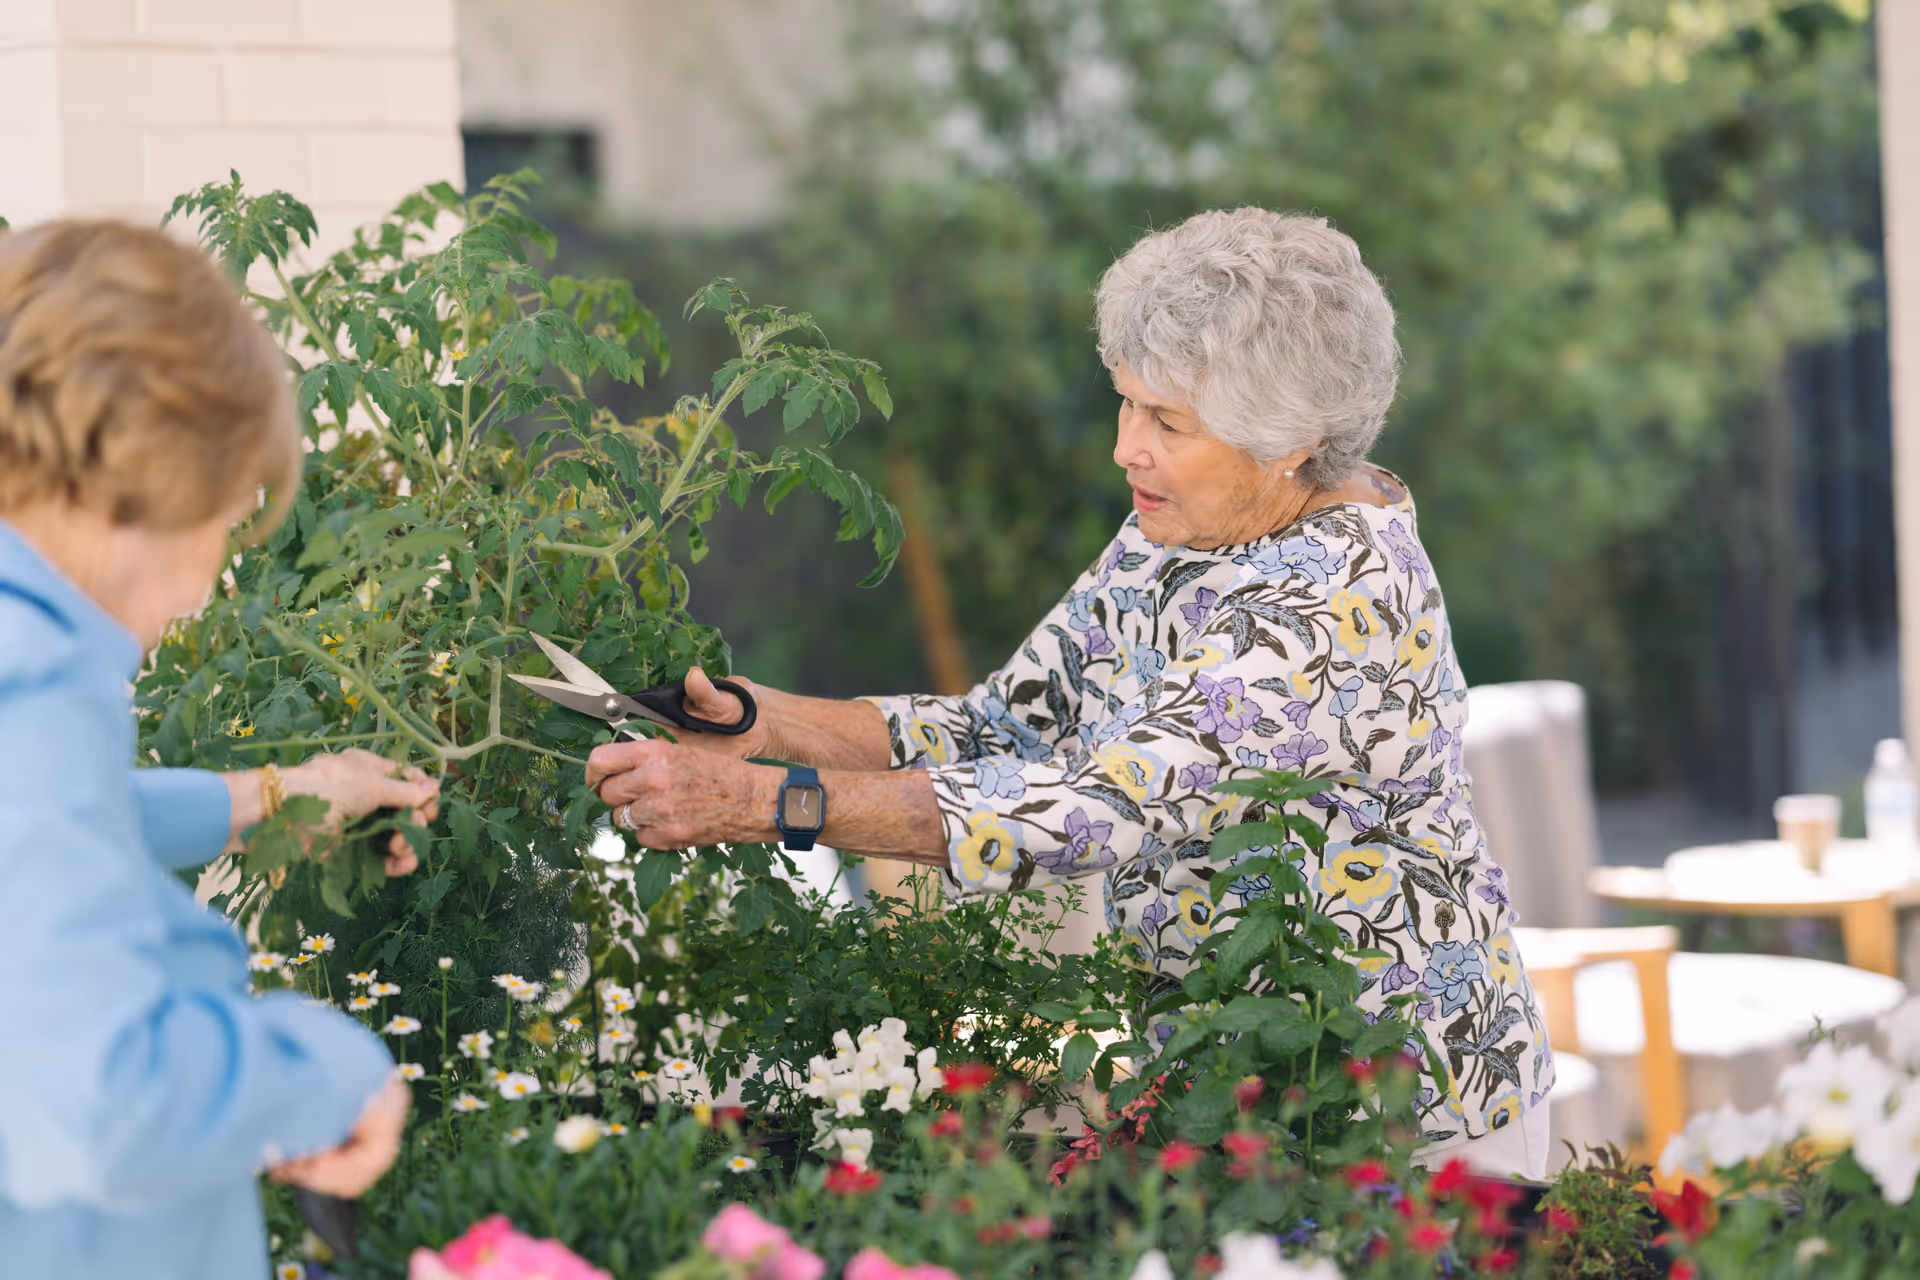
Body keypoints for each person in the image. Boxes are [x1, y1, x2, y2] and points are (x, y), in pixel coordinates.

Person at [585, 208, 1552, 1177]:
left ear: (1290, 438)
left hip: (1395, 1113)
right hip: (1233, 1089)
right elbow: (1000, 728)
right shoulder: (1184, 527)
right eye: (1127, 404)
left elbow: (1093, 806)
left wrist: (766, 805)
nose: (1126, 447)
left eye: (1166, 422)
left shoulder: (1335, 597)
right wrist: (763, 722)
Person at [0, 220, 439, 1277]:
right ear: (154, 479)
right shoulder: (39, 680)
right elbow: (104, 1100)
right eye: (229, 518)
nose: (206, 581)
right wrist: (328, 1066)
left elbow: (45, 826)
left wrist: (280, 794)